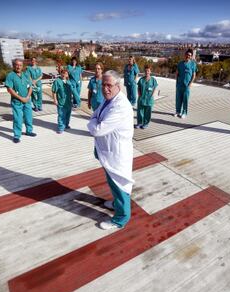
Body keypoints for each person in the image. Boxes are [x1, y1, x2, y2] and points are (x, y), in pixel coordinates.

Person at [87, 70, 134, 230]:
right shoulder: (108, 100)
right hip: (107, 151)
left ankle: (121, 219)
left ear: (118, 86)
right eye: (103, 85)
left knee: (120, 185)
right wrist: (94, 121)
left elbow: (97, 129)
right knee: (112, 181)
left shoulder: (120, 106)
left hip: (117, 153)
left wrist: (93, 123)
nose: (105, 89)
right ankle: (116, 204)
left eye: (109, 85)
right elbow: (95, 116)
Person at [5, 58, 36, 143]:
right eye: (17, 65)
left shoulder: (26, 75)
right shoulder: (10, 75)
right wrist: (21, 98)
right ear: (14, 66)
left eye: (20, 65)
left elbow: (30, 87)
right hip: (17, 102)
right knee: (18, 119)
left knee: (28, 117)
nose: (18, 67)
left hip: (27, 101)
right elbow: (9, 89)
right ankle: (17, 135)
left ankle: (29, 131)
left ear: (23, 66)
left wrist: (27, 97)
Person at [52, 67, 80, 134]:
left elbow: (74, 91)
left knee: (68, 114)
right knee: (61, 115)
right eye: (63, 73)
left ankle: (66, 125)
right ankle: (61, 127)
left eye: (66, 73)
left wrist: (76, 100)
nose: (64, 75)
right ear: (61, 74)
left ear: (67, 74)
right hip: (61, 101)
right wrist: (55, 100)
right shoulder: (57, 81)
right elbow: (54, 91)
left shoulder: (69, 82)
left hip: (68, 102)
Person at [175, 49, 197, 119]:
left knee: (185, 99)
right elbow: (177, 73)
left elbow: (194, 75)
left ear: (191, 56)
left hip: (187, 85)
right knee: (178, 99)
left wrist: (190, 84)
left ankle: (184, 113)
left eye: (190, 55)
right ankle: (178, 111)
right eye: (187, 55)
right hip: (179, 84)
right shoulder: (180, 63)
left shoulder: (193, 64)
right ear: (185, 55)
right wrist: (177, 82)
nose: (188, 56)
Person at [136, 64, 158, 129]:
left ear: (150, 71)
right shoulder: (141, 79)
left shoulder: (153, 80)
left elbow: (155, 88)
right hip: (141, 98)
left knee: (148, 112)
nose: (147, 72)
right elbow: (138, 87)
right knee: (140, 111)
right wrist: (139, 95)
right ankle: (140, 123)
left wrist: (152, 95)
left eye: (148, 71)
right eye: (145, 71)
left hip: (149, 99)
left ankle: (146, 123)